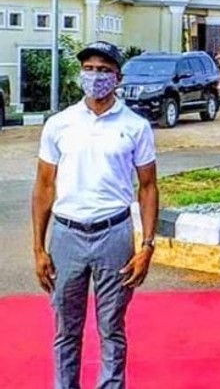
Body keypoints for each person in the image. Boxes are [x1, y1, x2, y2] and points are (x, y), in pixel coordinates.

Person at [32, 41, 159, 389]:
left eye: (103, 70)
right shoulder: (60, 124)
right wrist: (39, 248)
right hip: (67, 235)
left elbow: (147, 187)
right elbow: (44, 186)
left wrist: (147, 245)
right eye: (88, 69)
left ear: (117, 77)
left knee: (111, 328)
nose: (95, 76)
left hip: (114, 234)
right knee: (65, 328)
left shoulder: (135, 126)